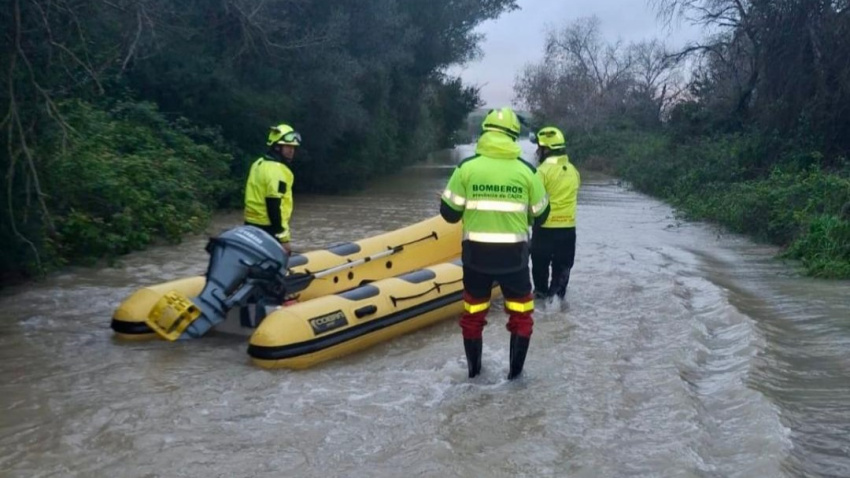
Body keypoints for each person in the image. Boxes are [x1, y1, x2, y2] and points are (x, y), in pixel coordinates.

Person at [440, 107, 550, 380]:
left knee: (473, 315)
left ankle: (474, 375)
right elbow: (542, 215)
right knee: (521, 316)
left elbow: (449, 214)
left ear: (484, 132)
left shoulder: (466, 168)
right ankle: (515, 379)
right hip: (514, 259)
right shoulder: (527, 171)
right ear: (515, 135)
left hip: (476, 258)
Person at [530, 126, 580, 311]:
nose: (537, 152)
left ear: (546, 149)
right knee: (562, 270)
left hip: (544, 228)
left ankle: (542, 304)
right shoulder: (573, 171)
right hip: (568, 229)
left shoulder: (542, 172)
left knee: (540, 271)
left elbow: (533, 200)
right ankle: (557, 303)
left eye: (539, 148)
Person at [244, 123, 302, 254]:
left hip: (250, 225)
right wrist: (283, 239)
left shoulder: (258, 163)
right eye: (288, 146)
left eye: (293, 147)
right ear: (277, 147)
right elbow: (274, 205)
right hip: (269, 228)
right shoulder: (277, 171)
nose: (292, 151)